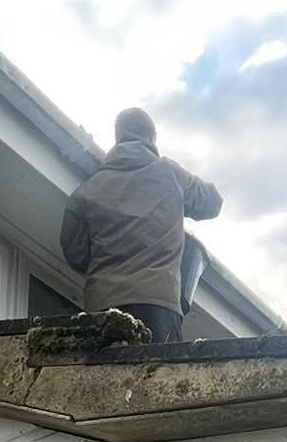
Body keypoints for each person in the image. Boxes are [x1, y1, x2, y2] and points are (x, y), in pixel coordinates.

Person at [59, 107, 222, 343]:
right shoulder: (170, 174)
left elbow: (74, 253)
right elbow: (213, 203)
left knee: (106, 378)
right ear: (152, 138)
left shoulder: (88, 189)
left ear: (117, 138)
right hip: (158, 304)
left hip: (104, 307)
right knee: (159, 376)